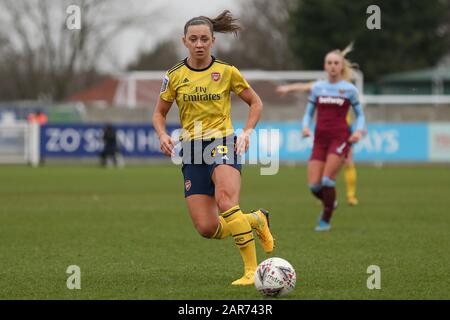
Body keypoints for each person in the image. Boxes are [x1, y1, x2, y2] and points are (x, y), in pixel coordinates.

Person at [152, 10, 274, 285]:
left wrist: (246, 133)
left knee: (226, 201)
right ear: (184, 41)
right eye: (193, 39)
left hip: (222, 143)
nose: (199, 44)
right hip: (192, 150)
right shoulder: (173, 76)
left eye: (204, 39)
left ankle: (252, 271)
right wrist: (162, 134)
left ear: (213, 41)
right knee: (207, 228)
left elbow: (256, 103)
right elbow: (159, 113)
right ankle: (255, 219)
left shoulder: (227, 72)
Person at [277, 44, 365, 231]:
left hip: (340, 138)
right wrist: (305, 127)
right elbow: (309, 113)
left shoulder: (349, 90)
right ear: (325, 66)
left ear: (341, 67)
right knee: (314, 186)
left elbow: (361, 115)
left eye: (336, 63)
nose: (333, 66)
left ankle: (325, 218)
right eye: (329, 63)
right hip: (320, 139)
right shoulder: (318, 88)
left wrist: (357, 131)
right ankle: (330, 202)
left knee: (327, 180)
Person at [277, 81, 360, 206]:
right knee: (322, 170)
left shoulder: (348, 88)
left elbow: (356, 111)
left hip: (343, 132)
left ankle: (350, 196)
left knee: (348, 161)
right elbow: (305, 86)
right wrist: (288, 88)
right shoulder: (322, 86)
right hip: (324, 134)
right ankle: (328, 196)